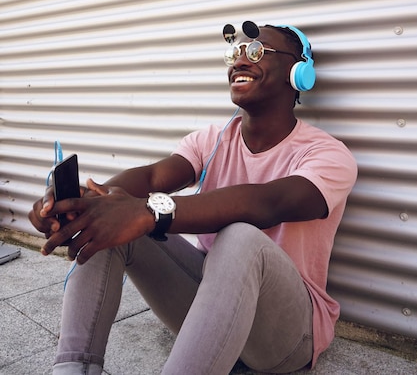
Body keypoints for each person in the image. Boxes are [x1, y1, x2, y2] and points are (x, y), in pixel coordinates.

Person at [29, 21, 357, 375]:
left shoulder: (328, 155)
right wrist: (82, 205)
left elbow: (266, 204)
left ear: (299, 73)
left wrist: (149, 212)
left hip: (285, 338)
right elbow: (155, 177)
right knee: (108, 216)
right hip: (210, 311)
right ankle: (72, 368)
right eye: (235, 53)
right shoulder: (210, 139)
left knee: (241, 234)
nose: (240, 61)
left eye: (256, 52)